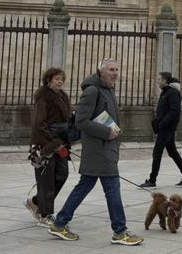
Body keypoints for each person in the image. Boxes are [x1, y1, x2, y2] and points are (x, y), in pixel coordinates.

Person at [48, 59, 143, 246]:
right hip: (99, 150)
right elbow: (81, 121)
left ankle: (59, 223)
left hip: (106, 148)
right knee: (112, 189)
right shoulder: (92, 91)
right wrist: (107, 132)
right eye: (111, 70)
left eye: (117, 69)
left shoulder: (108, 89)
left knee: (84, 186)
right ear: (101, 71)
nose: (115, 73)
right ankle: (120, 231)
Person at [28, 68, 72, 226]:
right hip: (44, 144)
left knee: (62, 174)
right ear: (48, 80)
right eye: (56, 79)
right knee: (46, 179)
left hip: (60, 142)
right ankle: (45, 214)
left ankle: (36, 202)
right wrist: (54, 143)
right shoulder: (43, 97)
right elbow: (39, 124)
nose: (60, 82)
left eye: (62, 79)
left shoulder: (63, 97)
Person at [140, 72, 182, 188]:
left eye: (160, 79)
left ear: (166, 81)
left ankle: (152, 180)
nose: (158, 81)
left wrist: (162, 124)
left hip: (166, 128)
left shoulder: (172, 93)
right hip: (165, 128)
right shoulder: (166, 92)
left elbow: (174, 111)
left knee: (157, 152)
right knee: (172, 152)